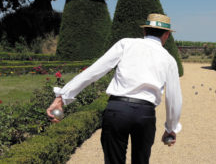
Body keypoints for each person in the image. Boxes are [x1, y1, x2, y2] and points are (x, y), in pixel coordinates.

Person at [47, 13, 182, 164]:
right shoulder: (169, 60)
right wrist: (171, 128)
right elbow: (174, 98)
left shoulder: (126, 44)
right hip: (145, 114)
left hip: (117, 110)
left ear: (144, 31)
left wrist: (62, 97)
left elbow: (94, 71)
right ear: (167, 35)